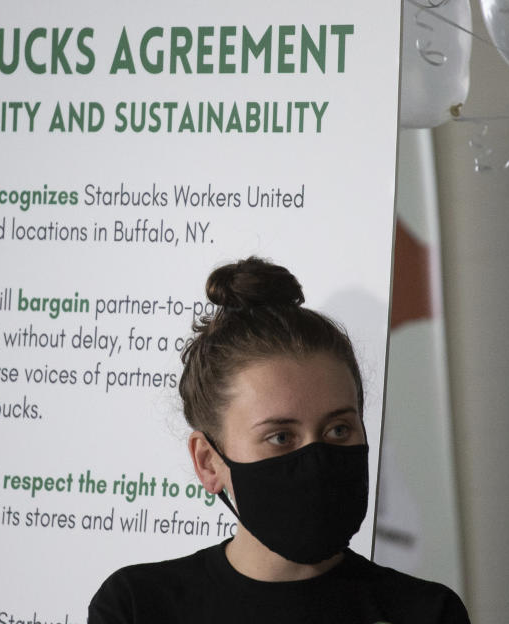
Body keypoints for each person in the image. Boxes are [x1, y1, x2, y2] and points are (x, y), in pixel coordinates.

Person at [88, 257, 470, 623]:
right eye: (281, 436)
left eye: (338, 430)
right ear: (208, 462)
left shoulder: (426, 612)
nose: (317, 458)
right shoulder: (138, 606)